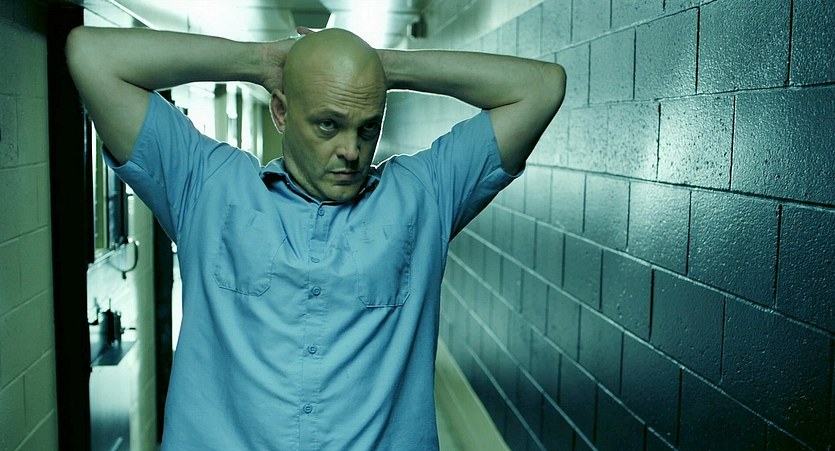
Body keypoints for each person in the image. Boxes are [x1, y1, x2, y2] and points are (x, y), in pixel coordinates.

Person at [66, 24, 565, 450]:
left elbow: (541, 86)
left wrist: (386, 67)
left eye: (367, 128)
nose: (351, 150)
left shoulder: (425, 195)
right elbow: (91, 54)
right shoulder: (205, 185)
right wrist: (260, 61)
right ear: (280, 112)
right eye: (328, 124)